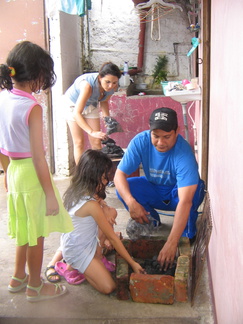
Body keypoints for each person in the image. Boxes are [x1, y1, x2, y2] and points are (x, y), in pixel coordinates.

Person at [0, 41, 74, 302]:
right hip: (32, 176)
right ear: (38, 74)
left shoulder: (3, 98)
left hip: (14, 172)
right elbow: (39, 158)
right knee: (37, 235)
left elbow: (1, 147)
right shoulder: (32, 107)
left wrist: (7, 175)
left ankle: (17, 277)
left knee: (24, 229)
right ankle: (34, 286)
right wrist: (50, 194)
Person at [114, 107, 205, 271]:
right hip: (155, 189)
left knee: (195, 189)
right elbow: (119, 175)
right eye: (155, 136)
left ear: (176, 132)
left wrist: (171, 243)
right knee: (126, 188)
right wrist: (131, 202)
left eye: (166, 137)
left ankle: (187, 231)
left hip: (178, 194)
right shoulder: (140, 141)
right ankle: (150, 221)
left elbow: (185, 201)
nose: (161, 142)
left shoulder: (184, 154)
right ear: (149, 131)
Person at [46, 149, 145, 294]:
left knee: (110, 213)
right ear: (94, 176)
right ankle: (77, 267)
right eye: (104, 178)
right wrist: (133, 263)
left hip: (78, 243)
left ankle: (92, 261)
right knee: (109, 287)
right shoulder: (90, 205)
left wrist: (104, 207)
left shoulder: (76, 191)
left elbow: (100, 203)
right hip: (78, 251)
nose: (106, 181)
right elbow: (111, 236)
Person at [64, 62, 122, 164]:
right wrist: (91, 132)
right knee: (79, 142)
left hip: (91, 104)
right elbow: (77, 113)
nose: (110, 86)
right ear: (100, 77)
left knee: (96, 141)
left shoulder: (112, 86)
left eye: (114, 82)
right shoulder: (87, 86)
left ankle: (98, 172)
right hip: (73, 105)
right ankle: (81, 175)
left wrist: (107, 119)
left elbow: (103, 101)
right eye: (107, 82)